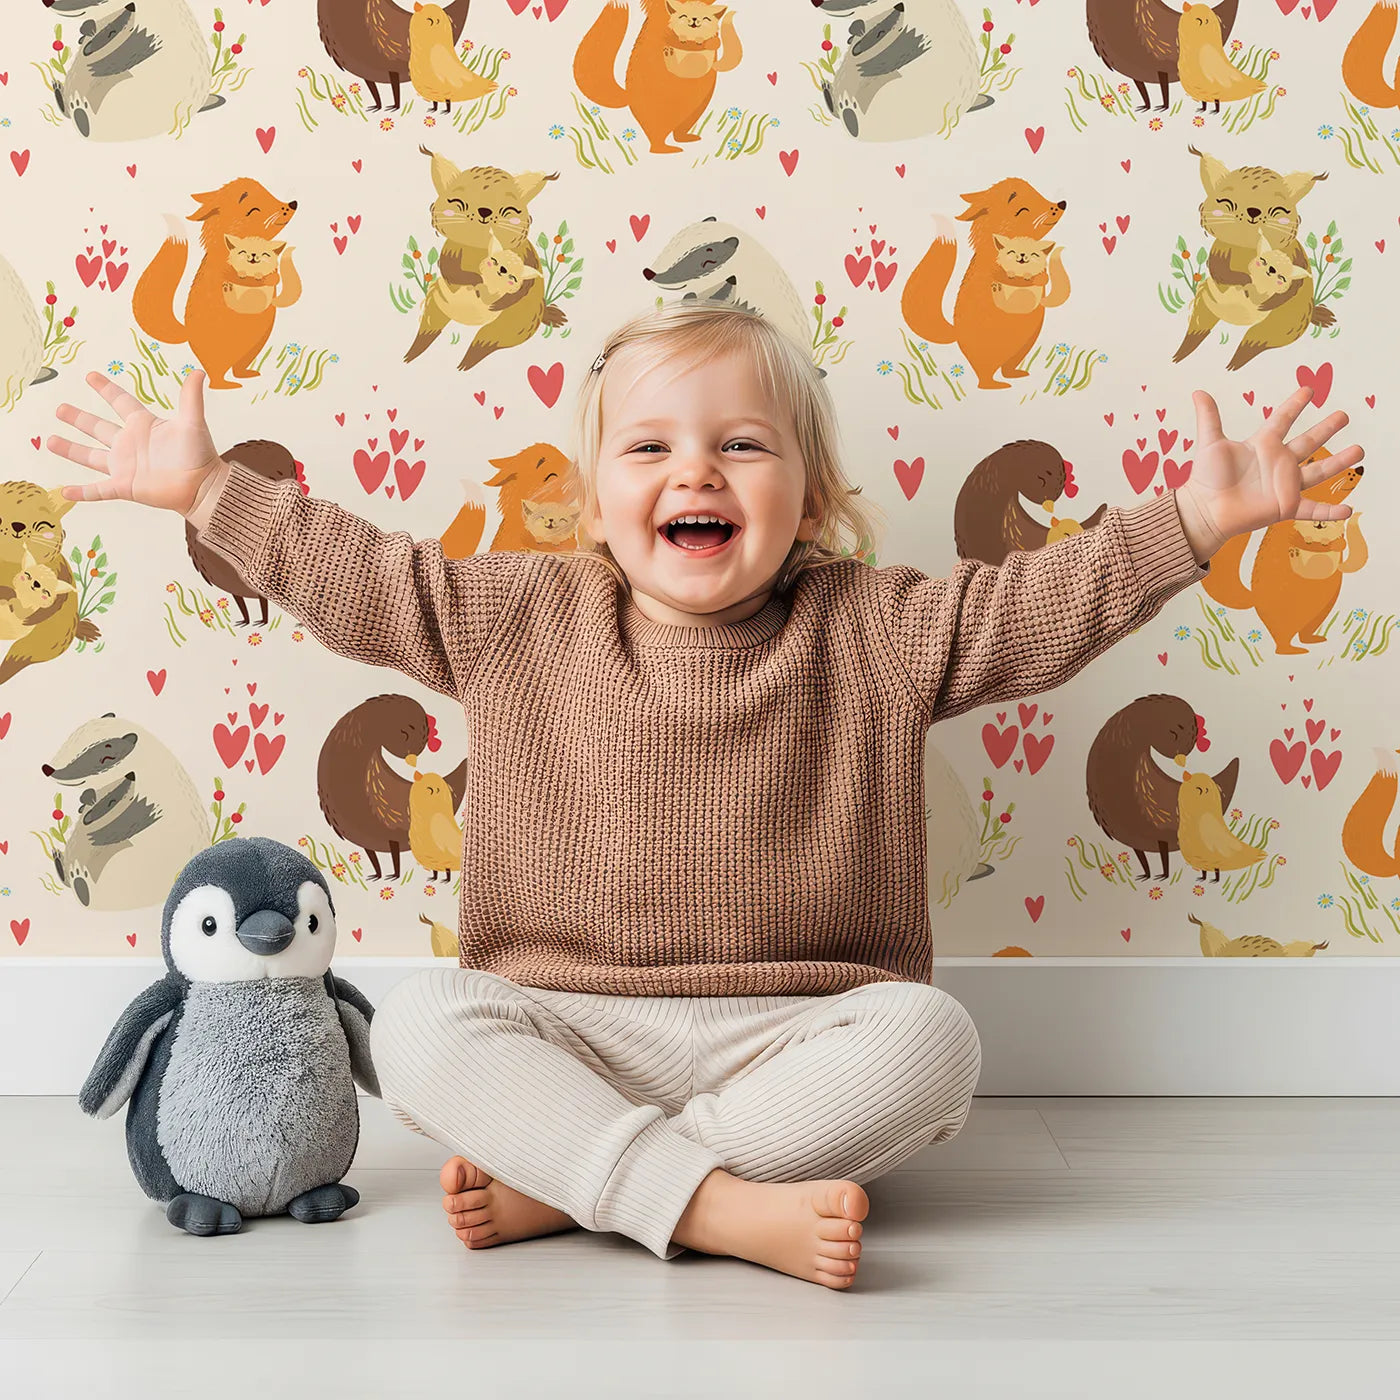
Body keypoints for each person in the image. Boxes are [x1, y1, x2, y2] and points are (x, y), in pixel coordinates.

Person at [46, 302, 1360, 1290]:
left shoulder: (876, 625)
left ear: (815, 497)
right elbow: (360, 573)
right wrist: (212, 492)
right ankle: (723, 1206)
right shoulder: (518, 614)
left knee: (935, 1042)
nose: (698, 474)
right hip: (560, 1023)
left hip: (800, 1034)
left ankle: (585, 1186)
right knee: (424, 1027)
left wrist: (1188, 525)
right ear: (595, 497)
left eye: (743, 444)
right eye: (653, 447)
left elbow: (1031, 608)